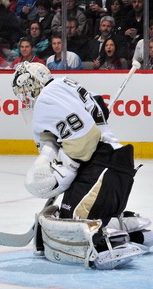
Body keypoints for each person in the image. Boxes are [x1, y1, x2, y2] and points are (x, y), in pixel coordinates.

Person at [11, 62, 153, 269]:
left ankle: (109, 244)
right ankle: (137, 232)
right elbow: (99, 106)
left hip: (102, 168)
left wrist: (63, 172)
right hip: (113, 168)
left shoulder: (47, 98)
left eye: (26, 90)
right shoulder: (63, 84)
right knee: (78, 217)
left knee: (73, 223)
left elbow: (86, 139)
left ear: (35, 83)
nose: (25, 97)